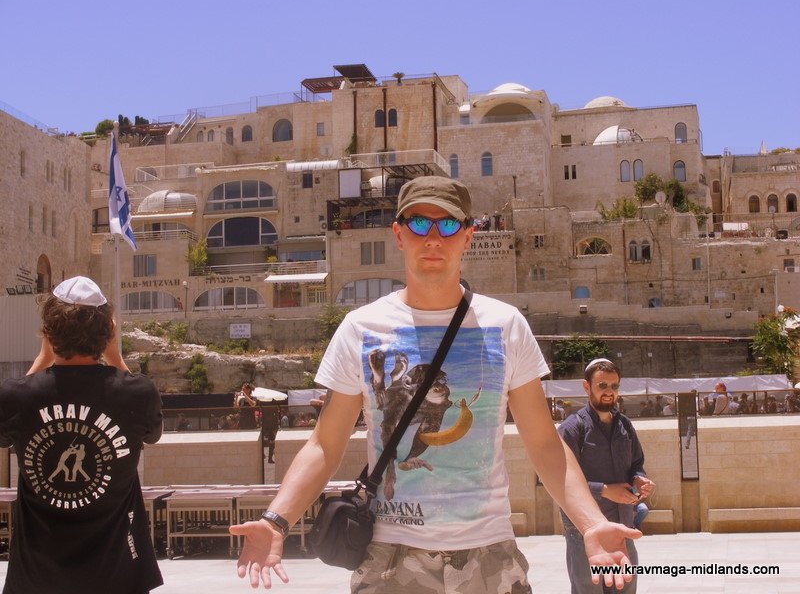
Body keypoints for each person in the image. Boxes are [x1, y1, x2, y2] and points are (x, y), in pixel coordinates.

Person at [230, 176, 638, 592]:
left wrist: (591, 523)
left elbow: (544, 443)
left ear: (468, 236)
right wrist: (276, 519)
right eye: (419, 224)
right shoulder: (361, 328)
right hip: (390, 560)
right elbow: (324, 444)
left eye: (447, 225)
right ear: (398, 234)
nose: (433, 238)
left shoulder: (506, 325)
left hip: (489, 557)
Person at [0, 276, 163, 594]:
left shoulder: (16, 396)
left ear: (48, 334)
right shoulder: (138, 393)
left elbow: (7, 420)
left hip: (38, 580)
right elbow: (152, 433)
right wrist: (115, 357)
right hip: (118, 577)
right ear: (109, 333)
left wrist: (42, 360)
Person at [558, 358, 655, 594]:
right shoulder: (572, 428)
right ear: (587, 387)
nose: (609, 392)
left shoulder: (625, 425)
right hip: (584, 531)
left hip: (622, 527)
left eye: (614, 386)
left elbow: (636, 464)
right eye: (602, 386)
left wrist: (639, 479)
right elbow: (559, 478)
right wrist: (603, 489)